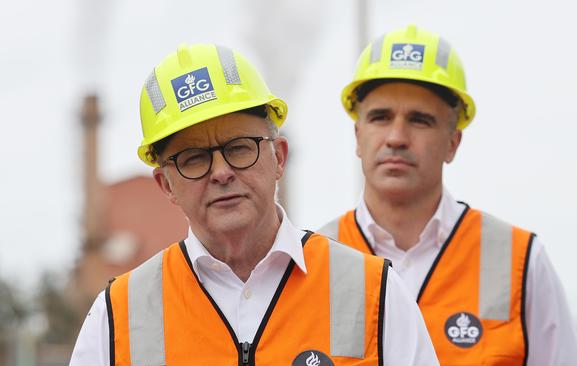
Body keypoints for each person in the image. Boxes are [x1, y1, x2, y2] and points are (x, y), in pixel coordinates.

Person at [69, 43, 438, 365]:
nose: (221, 172)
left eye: (238, 148)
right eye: (194, 158)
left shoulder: (375, 293)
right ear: (166, 185)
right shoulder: (117, 317)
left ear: (279, 157)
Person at [319, 25, 577, 365]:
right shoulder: (310, 264)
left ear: (453, 143)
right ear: (358, 136)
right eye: (380, 117)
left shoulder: (520, 261)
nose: (397, 137)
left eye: (420, 120)